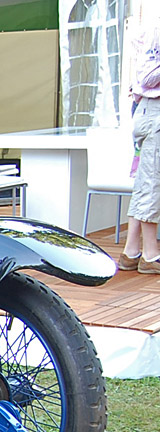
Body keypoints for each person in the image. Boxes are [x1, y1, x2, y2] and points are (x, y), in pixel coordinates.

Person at [118, 15, 160, 274]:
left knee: (147, 182)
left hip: (149, 112)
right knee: (152, 183)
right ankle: (151, 254)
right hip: (154, 112)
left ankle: (131, 252)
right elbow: (146, 77)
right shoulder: (155, 30)